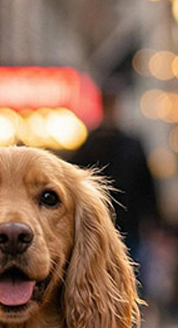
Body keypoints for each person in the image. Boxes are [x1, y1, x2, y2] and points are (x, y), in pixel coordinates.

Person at [69, 90, 160, 268]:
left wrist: (152, 219)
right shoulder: (91, 144)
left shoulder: (125, 144)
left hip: (127, 224)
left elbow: (146, 186)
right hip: (99, 223)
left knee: (127, 269)